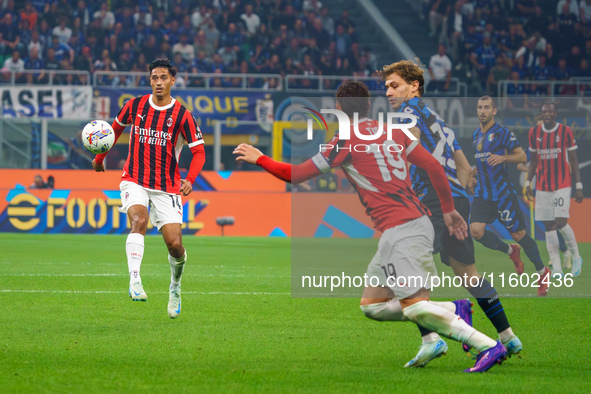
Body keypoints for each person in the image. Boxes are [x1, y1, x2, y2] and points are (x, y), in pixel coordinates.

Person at [234, 81, 507, 373]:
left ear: (338, 109)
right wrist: (449, 209)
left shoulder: (344, 140)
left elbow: (298, 174)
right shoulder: (394, 131)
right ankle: (453, 312)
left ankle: (488, 345)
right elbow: (434, 167)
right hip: (406, 228)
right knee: (373, 305)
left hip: (405, 229)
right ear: (368, 106)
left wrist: (260, 158)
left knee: (414, 305)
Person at [380, 60, 522, 363]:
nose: (388, 92)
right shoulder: (438, 120)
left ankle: (432, 338)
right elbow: (466, 168)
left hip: (432, 200)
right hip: (454, 199)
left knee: (401, 264)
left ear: (414, 85)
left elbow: (411, 148)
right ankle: (508, 336)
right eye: (386, 87)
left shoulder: (406, 114)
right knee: (469, 274)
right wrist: (464, 197)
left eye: (394, 85)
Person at [92, 58, 206, 319]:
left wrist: (191, 178)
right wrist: (99, 159)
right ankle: (134, 280)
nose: (158, 82)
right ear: (150, 80)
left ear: (172, 81)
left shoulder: (183, 115)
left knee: (175, 245)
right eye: (154, 77)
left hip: (167, 186)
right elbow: (113, 132)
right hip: (134, 179)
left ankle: (175, 287)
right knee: (138, 220)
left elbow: (199, 152)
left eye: (163, 77)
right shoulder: (135, 106)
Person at [468, 96, 550, 293]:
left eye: (487, 107)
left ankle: (542, 272)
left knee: (519, 234)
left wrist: (503, 157)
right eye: (480, 107)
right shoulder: (475, 135)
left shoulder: (502, 132)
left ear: (494, 111)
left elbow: (522, 155)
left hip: (503, 194)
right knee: (476, 231)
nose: (482, 111)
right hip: (483, 195)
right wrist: (472, 175)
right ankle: (510, 250)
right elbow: (481, 162)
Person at [525, 103, 584, 277]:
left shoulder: (566, 131)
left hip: (562, 184)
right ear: (541, 115)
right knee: (549, 226)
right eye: (544, 112)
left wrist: (579, 186)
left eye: (551, 111)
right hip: (542, 186)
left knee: (560, 222)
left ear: (556, 113)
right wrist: (528, 182)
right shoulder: (534, 133)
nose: (548, 114)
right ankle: (557, 268)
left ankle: (576, 257)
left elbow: (574, 161)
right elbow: (534, 161)